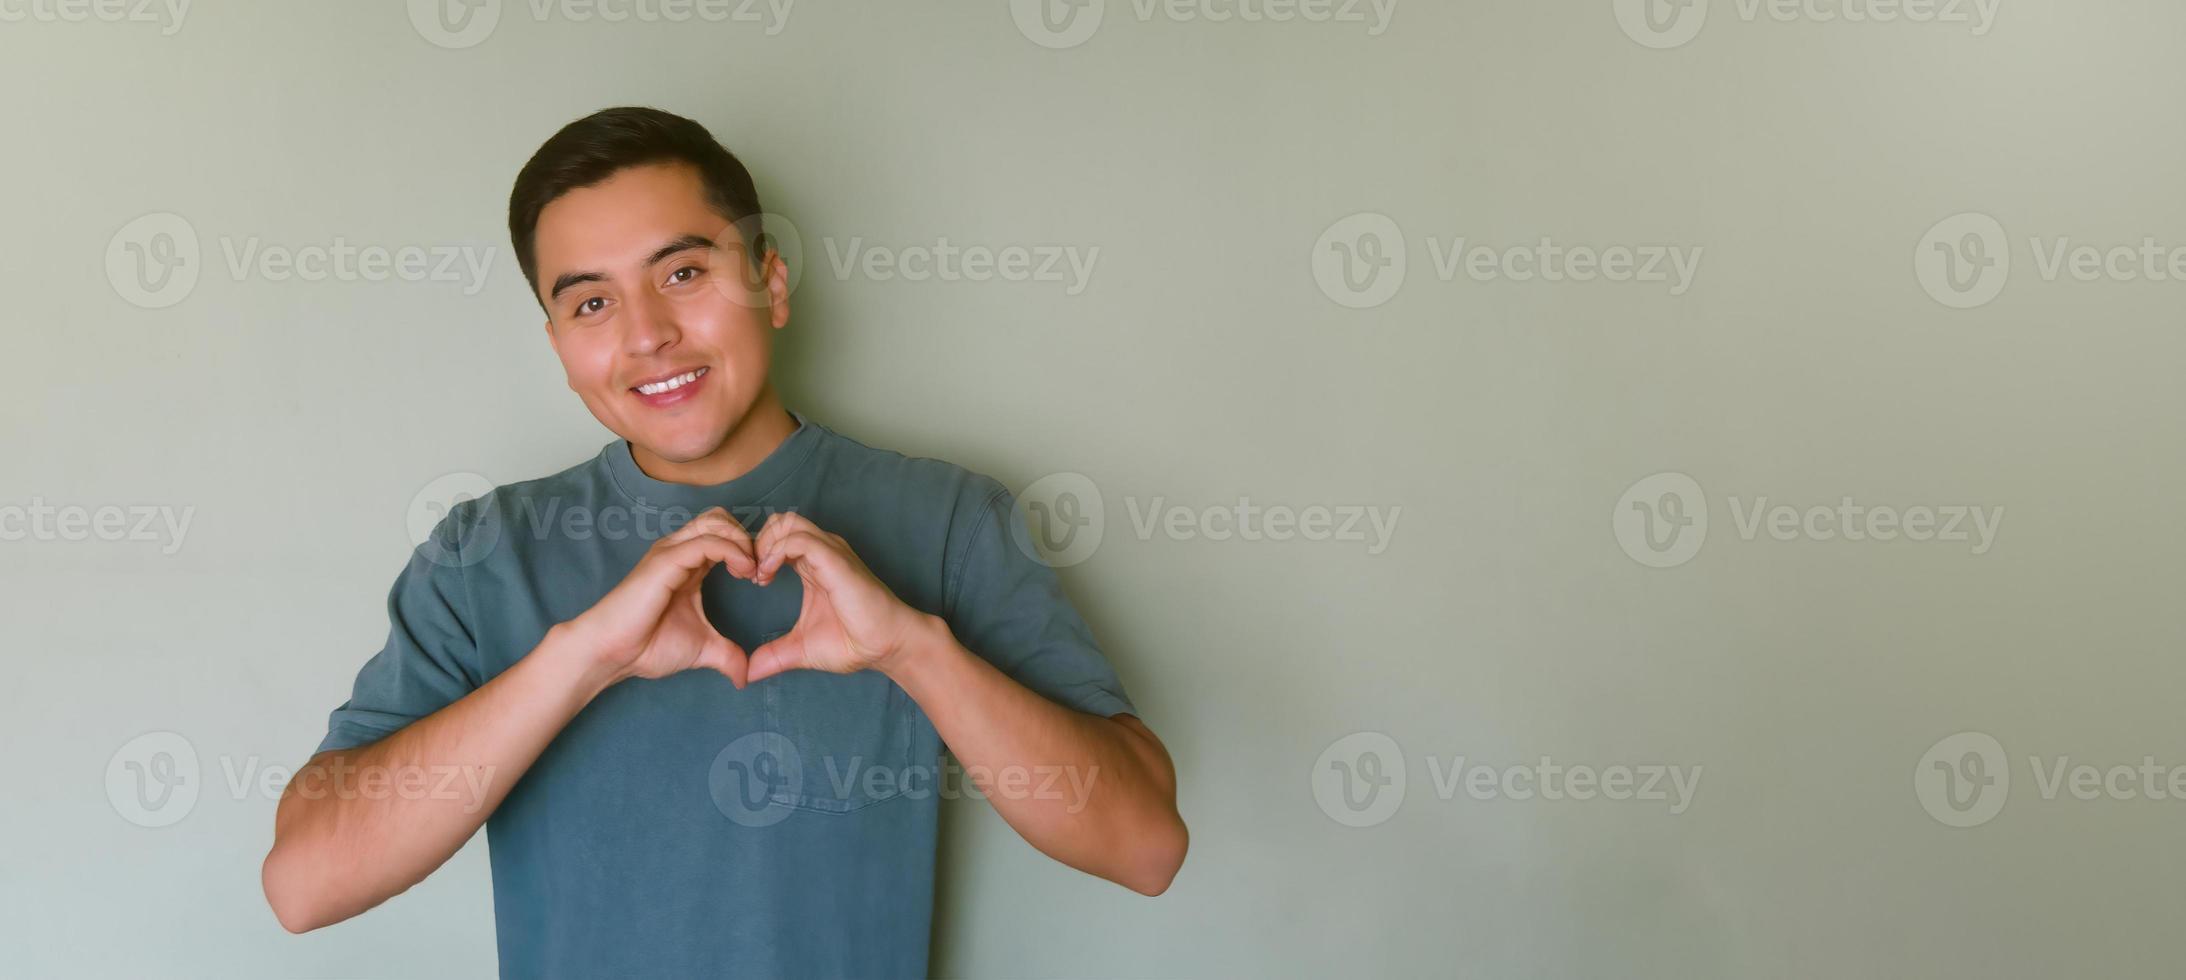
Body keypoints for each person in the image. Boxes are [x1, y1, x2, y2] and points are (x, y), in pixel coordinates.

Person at [260, 105, 1187, 979]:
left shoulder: (945, 519)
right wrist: (582, 660)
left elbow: (1144, 845)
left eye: (683, 273)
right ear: (557, 344)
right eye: (592, 304)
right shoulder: (484, 552)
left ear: (771, 283)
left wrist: (913, 649)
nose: (648, 336)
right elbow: (305, 885)